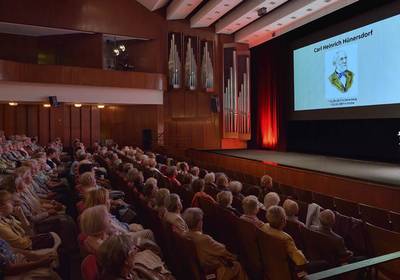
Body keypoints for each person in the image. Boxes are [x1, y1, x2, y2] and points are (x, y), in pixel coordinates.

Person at [183, 208, 248, 280]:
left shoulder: (185, 235)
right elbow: (224, 251)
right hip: (213, 272)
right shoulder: (203, 239)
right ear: (199, 223)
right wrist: (235, 257)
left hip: (199, 269)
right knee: (237, 265)